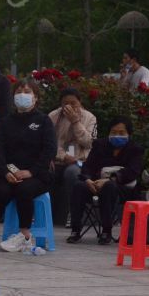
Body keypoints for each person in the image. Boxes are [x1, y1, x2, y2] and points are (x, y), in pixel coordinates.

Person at [0, 78, 56, 253]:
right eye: (19, 92)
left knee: (24, 190)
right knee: (1, 190)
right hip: (11, 173)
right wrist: (5, 172)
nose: (22, 95)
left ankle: (25, 236)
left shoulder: (43, 121)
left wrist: (31, 172)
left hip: (38, 175)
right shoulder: (6, 121)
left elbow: (50, 150)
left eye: (27, 92)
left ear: (36, 98)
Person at [67, 117, 143, 244]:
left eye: (121, 133)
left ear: (129, 134)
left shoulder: (135, 149)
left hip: (123, 188)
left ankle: (106, 231)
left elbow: (133, 172)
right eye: (113, 132)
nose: (117, 135)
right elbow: (88, 166)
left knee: (109, 188)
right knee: (78, 186)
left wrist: (110, 180)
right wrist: (87, 180)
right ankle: (75, 230)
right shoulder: (99, 145)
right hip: (96, 184)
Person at [48, 88, 97, 225]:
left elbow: (89, 143)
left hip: (80, 161)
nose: (69, 107)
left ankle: (73, 213)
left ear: (80, 103)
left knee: (72, 173)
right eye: (65, 103)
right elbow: (48, 142)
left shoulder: (89, 117)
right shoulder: (53, 116)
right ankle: (44, 213)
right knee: (44, 172)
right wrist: (63, 156)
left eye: (73, 103)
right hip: (58, 160)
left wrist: (75, 122)